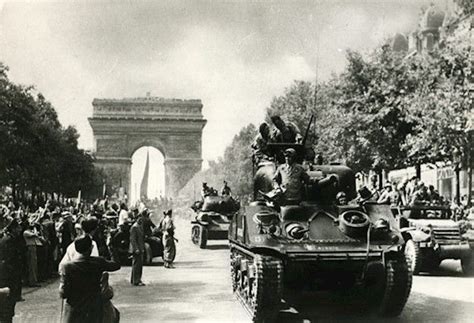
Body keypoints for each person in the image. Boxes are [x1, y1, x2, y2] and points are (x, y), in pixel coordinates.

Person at [59, 235, 120, 323]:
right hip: (94, 307)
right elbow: (116, 265)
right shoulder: (98, 262)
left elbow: (63, 293)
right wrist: (111, 247)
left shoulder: (67, 267)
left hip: (74, 308)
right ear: (90, 248)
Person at [0, 217, 22, 323]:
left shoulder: (10, 239)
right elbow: (8, 261)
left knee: (9, 308)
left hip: (10, 277)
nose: (20, 229)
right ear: (13, 228)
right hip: (8, 278)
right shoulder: (8, 241)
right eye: (18, 227)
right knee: (6, 308)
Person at [23, 221, 42, 287]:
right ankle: (32, 282)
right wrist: (34, 228)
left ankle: (34, 280)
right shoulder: (26, 232)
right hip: (30, 247)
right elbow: (36, 234)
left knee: (34, 265)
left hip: (33, 247)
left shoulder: (29, 231)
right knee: (32, 265)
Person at [129, 215, 145, 286]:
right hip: (137, 249)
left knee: (139, 265)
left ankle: (136, 279)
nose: (141, 220)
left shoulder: (139, 226)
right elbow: (133, 239)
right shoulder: (134, 227)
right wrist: (136, 249)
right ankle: (136, 280)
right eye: (139, 219)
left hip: (140, 248)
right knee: (136, 265)